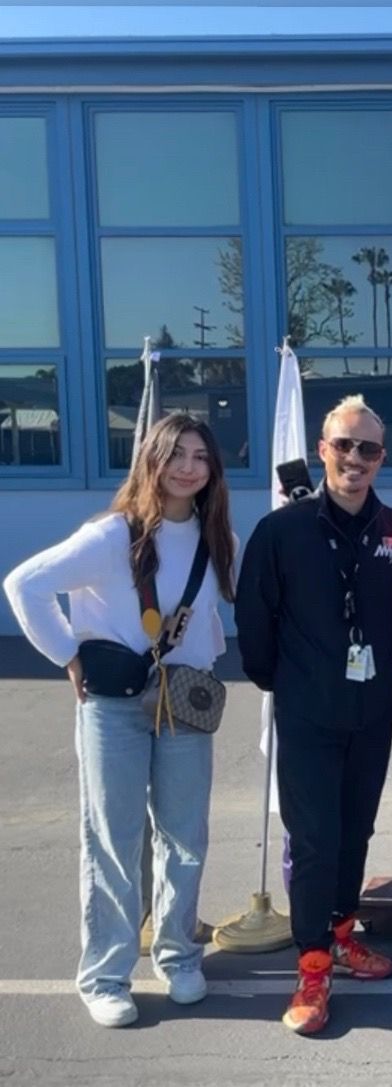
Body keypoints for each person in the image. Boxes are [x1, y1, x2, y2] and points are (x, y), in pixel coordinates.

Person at [3, 413, 236, 1028]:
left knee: (185, 836)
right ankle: (106, 974)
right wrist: (67, 655)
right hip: (113, 705)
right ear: (151, 461)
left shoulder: (212, 536)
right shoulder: (112, 534)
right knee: (114, 838)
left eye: (200, 456)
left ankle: (178, 955)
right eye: (176, 454)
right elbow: (24, 583)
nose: (188, 467)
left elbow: (207, 617)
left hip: (184, 699)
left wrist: (205, 667)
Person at [235, 395, 392, 1035]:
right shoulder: (281, 531)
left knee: (355, 833)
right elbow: (254, 622)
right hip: (307, 711)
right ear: (323, 449)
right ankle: (312, 963)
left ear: (382, 458)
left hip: (370, 712)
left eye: (369, 449)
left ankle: (342, 934)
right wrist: (286, 682)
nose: (355, 459)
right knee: (313, 842)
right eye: (344, 445)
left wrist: (371, 673)